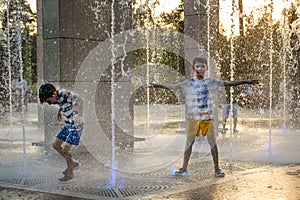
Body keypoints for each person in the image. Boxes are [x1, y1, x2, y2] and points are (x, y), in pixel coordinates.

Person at [151, 57, 259, 177]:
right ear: (194, 68)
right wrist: (156, 85)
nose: (200, 68)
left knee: (212, 142)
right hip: (193, 118)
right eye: (198, 66)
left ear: (206, 68)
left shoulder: (211, 82)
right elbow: (173, 86)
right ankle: (184, 168)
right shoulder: (189, 83)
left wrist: (246, 81)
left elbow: (228, 83)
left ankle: (217, 169)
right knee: (189, 143)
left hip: (207, 117)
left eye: (203, 66)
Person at [39, 83, 83, 182]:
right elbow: (63, 103)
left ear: (54, 94)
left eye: (49, 101)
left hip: (76, 127)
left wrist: (79, 115)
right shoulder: (58, 97)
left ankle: (70, 174)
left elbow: (79, 100)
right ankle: (73, 163)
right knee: (56, 145)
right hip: (68, 126)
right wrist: (60, 111)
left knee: (66, 148)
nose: (50, 104)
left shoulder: (64, 93)